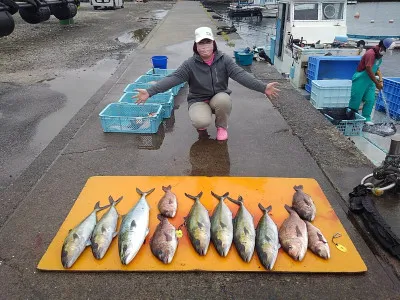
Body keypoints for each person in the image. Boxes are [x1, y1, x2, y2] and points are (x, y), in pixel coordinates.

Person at [133, 26, 280, 141]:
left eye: (207, 42)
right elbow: (173, 78)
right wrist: (150, 91)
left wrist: (263, 87)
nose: (204, 47)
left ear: (213, 43)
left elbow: (241, 75)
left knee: (223, 100)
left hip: (218, 97)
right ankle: (202, 124)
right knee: (201, 122)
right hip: (198, 100)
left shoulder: (225, 60)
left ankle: (221, 127)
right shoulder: (189, 64)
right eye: (200, 44)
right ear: (196, 46)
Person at [348, 38, 395, 125]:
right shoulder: (371, 54)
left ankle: (366, 118)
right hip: (360, 79)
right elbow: (369, 69)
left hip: (370, 81)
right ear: (382, 47)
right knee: (356, 98)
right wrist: (377, 83)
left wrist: (380, 80)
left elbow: (377, 69)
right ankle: (351, 116)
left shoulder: (380, 55)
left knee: (370, 99)